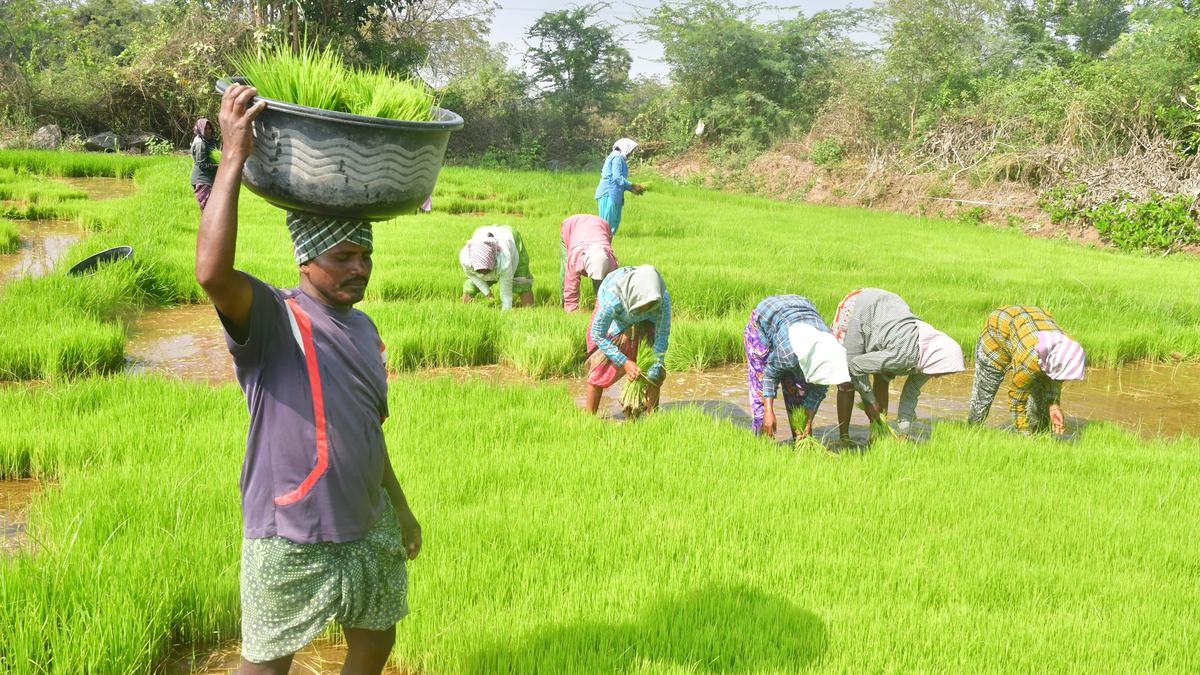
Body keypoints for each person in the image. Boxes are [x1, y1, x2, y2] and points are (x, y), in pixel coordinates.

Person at [195, 83, 421, 675]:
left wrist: (398, 506)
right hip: (289, 531)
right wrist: (233, 157)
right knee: (266, 664)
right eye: (343, 257)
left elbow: (370, 430)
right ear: (307, 260)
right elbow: (212, 274)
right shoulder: (275, 317)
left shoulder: (365, 328)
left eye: (365, 257)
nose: (359, 268)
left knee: (375, 642)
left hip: (365, 522)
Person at [831, 288, 965, 441]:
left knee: (882, 377)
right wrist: (870, 400)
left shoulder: (927, 360)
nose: (938, 376)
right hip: (860, 307)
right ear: (939, 361)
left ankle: (877, 436)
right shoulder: (905, 355)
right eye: (943, 372)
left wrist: (904, 433)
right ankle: (844, 438)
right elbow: (855, 365)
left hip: (885, 314)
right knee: (846, 381)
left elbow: (910, 394)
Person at [744, 295, 850, 443]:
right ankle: (761, 444)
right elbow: (770, 376)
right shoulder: (789, 353)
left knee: (799, 394)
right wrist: (769, 411)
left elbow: (819, 389)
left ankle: (800, 443)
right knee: (761, 393)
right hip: (767, 317)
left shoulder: (830, 357)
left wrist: (808, 416)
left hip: (801, 312)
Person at [967, 305, 1085, 435]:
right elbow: (1016, 398)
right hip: (997, 331)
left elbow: (1054, 380)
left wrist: (1053, 405)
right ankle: (971, 432)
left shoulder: (1070, 350)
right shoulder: (1031, 359)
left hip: (1029, 328)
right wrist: (1025, 435)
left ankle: (1040, 435)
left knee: (1041, 410)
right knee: (983, 395)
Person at [584, 265, 670, 414]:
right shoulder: (612, 298)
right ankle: (588, 418)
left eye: (650, 307)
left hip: (647, 319)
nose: (645, 310)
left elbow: (661, 336)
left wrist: (655, 367)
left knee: (653, 366)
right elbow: (598, 333)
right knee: (600, 364)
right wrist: (624, 362)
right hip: (617, 317)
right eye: (642, 307)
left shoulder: (660, 299)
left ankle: (652, 418)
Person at [459, 224, 535, 309]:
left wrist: (505, 316)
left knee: (522, 281)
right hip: (483, 232)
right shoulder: (466, 259)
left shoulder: (504, 261)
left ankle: (530, 311)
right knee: (471, 285)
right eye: (480, 272)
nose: (484, 275)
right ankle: (464, 310)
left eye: (487, 272)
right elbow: (473, 276)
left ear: (494, 263)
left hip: (510, 237)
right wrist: (487, 293)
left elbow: (506, 295)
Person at [560, 213, 618, 312]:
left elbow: (615, 290)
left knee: (603, 283)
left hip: (601, 225)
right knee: (566, 273)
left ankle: (601, 307)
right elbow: (571, 287)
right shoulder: (575, 260)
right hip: (571, 226)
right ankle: (562, 304)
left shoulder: (612, 264)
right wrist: (571, 311)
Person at [593, 138, 644, 235]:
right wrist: (632, 186)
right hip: (609, 193)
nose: (631, 154)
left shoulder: (615, 157)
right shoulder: (617, 158)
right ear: (626, 148)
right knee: (607, 225)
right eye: (631, 151)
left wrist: (631, 188)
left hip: (612, 193)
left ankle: (606, 245)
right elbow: (617, 178)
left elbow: (617, 179)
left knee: (609, 225)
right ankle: (603, 246)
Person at [190, 117, 220, 212]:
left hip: (210, 179)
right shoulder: (200, 143)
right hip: (202, 180)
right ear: (199, 129)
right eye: (205, 128)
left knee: (213, 209)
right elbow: (201, 164)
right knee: (208, 210)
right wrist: (218, 166)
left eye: (209, 128)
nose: (208, 131)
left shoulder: (210, 141)